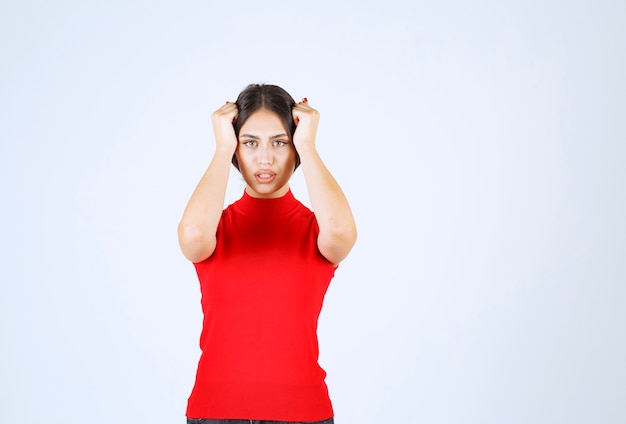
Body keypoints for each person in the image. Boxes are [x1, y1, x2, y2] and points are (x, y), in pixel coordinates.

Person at [178, 83, 357, 424]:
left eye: (280, 142)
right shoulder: (215, 229)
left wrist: (307, 145)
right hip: (213, 413)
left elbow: (340, 235)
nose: (265, 158)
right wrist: (221, 150)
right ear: (235, 150)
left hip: (303, 413)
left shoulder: (315, 232)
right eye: (249, 143)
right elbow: (192, 238)